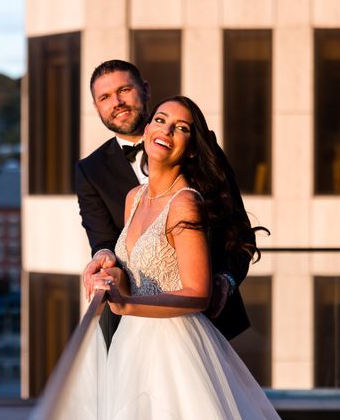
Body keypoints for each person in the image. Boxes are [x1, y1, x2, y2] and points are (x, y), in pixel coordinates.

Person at [58, 96, 295, 420]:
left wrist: (124, 303)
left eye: (181, 128)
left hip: (174, 348)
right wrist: (110, 276)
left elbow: (198, 294)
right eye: (160, 120)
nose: (166, 130)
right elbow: (133, 268)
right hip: (131, 343)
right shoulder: (133, 198)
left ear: (193, 148)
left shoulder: (186, 202)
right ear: (147, 129)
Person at [76, 60, 255, 345]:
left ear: (145, 90)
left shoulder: (200, 146)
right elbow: (104, 241)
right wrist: (101, 260)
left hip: (208, 322)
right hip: (132, 326)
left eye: (124, 90)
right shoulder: (90, 171)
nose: (117, 102)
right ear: (96, 106)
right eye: (105, 97)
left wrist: (226, 280)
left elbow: (240, 233)